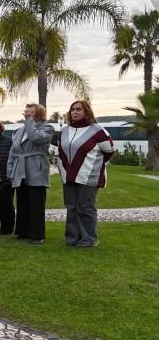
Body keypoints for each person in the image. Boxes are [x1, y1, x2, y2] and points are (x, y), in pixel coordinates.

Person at [57, 100, 114, 247]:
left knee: (85, 208)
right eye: (72, 110)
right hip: (68, 175)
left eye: (78, 109)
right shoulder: (64, 131)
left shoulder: (98, 131)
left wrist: (92, 164)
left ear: (86, 111)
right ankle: (72, 238)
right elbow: (61, 152)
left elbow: (109, 151)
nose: (74, 112)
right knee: (71, 208)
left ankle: (89, 239)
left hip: (88, 176)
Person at [8, 103, 54, 244]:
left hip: (36, 168)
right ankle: (22, 231)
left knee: (36, 202)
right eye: (26, 111)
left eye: (31, 112)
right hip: (20, 168)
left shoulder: (47, 128)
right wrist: (10, 171)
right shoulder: (19, 131)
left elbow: (35, 138)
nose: (27, 113)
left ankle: (37, 234)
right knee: (22, 201)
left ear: (39, 113)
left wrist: (29, 122)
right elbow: (13, 151)